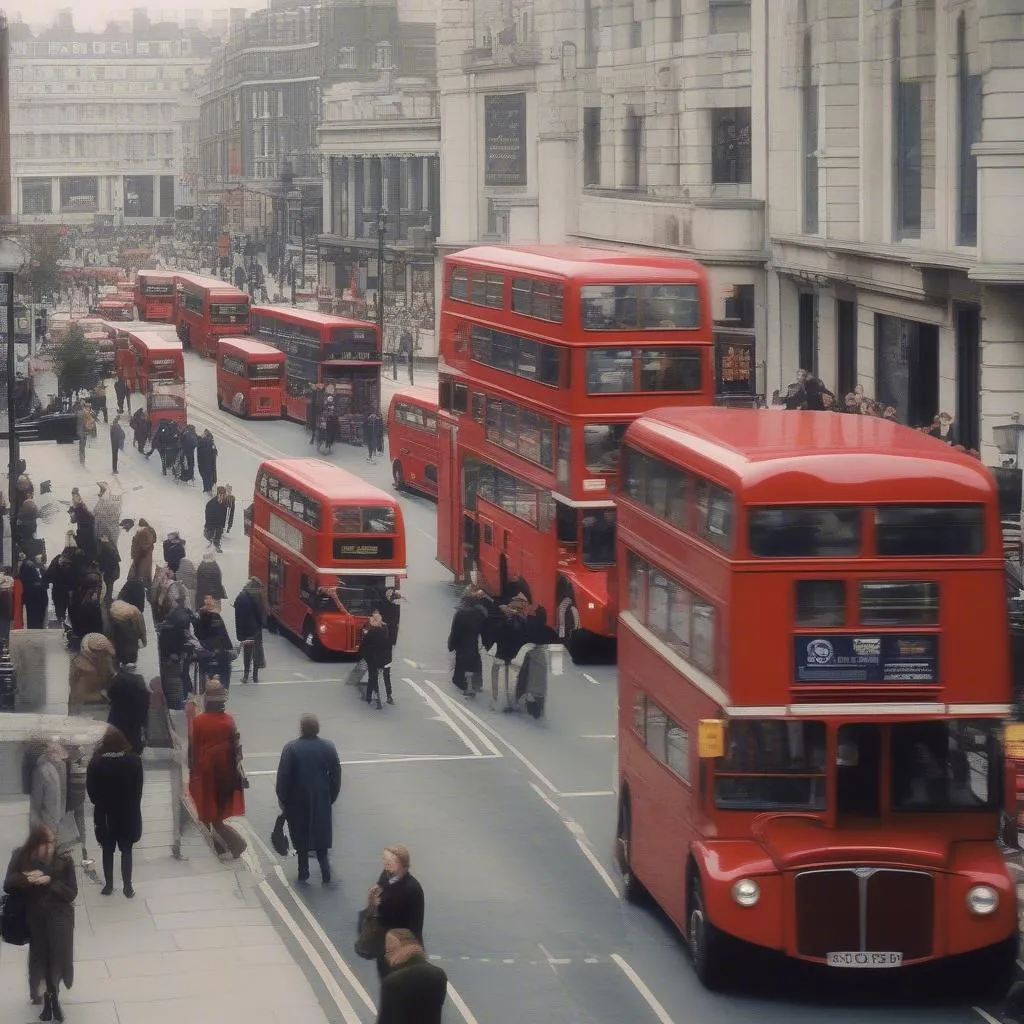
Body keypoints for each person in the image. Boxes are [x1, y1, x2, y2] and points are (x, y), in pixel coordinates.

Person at [3, 824, 77, 1022]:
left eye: (52, 842)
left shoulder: (64, 860)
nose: (49, 847)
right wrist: (28, 878)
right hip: (34, 918)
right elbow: (8, 884)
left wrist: (50, 882)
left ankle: (53, 999)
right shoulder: (21, 855)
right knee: (41, 957)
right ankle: (48, 999)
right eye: (46, 843)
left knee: (57, 958)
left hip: (59, 917)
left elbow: (71, 893)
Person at [275, 714, 341, 885]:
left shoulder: (291, 748)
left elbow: (283, 777)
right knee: (321, 833)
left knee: (300, 834)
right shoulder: (328, 747)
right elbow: (336, 775)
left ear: (302, 728)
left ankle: (303, 871)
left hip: (297, 798)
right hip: (321, 796)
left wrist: (283, 800)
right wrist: (330, 796)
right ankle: (325, 871)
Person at [188, 679, 247, 858]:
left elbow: (194, 750)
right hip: (226, 776)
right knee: (215, 816)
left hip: (206, 776)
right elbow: (237, 750)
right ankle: (221, 846)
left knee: (207, 815)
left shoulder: (199, 722)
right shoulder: (229, 721)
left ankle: (236, 844)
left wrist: (192, 772)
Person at [86, 726, 143, 898]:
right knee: (126, 850)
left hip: (105, 814)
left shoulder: (96, 763)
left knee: (107, 849)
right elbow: (138, 790)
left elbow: (92, 792)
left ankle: (109, 885)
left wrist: (101, 802)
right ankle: (128, 887)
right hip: (128, 813)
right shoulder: (133, 761)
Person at [368, 844, 425, 979]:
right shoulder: (386, 875)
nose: (385, 864)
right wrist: (373, 899)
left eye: (388, 861)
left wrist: (379, 905)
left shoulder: (412, 889)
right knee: (386, 980)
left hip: (402, 946)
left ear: (400, 864)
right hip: (385, 944)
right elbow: (381, 892)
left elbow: (415, 924)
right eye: (384, 860)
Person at [376, 929, 448, 1024]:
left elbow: (386, 1019)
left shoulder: (393, 982)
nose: (386, 956)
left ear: (397, 950)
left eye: (388, 951)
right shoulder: (439, 974)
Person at [490, 594, 530, 712]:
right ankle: (513, 702)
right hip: (515, 655)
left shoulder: (503, 619)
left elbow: (496, 634)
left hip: (501, 654)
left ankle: (496, 700)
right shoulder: (523, 621)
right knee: (514, 677)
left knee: (496, 674)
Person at [68, 633, 117, 719]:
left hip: (83, 706)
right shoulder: (106, 662)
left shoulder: (78, 662)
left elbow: (72, 683)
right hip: (100, 705)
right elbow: (113, 679)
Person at [106, 661, 150, 755]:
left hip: (118, 717)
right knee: (133, 739)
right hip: (135, 718)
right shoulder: (139, 680)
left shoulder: (118, 678)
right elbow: (145, 698)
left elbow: (111, 695)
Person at [447, 594, 485, 698]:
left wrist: (452, 644)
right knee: (473, 664)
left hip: (462, 644)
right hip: (473, 644)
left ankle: (467, 686)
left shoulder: (460, 614)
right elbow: (484, 630)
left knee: (462, 665)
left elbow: (455, 631)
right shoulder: (480, 614)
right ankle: (473, 685)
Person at [29, 742, 68, 839]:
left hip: (50, 817)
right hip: (49, 818)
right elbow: (38, 799)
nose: (59, 761)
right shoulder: (45, 771)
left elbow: (38, 798)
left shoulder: (47, 770)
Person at [233, 577, 266, 684]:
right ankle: (255, 676)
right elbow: (260, 613)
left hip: (246, 630)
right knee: (256, 652)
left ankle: (246, 676)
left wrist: (240, 633)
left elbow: (238, 613)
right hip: (255, 630)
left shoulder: (241, 596)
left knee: (247, 653)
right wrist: (261, 624)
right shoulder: (257, 597)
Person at [359, 610, 393, 709]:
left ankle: (371, 697)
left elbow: (363, 648)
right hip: (386, 659)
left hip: (374, 660)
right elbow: (390, 644)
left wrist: (366, 658)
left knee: (373, 678)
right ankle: (389, 696)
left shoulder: (370, 634)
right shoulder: (386, 630)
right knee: (386, 677)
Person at [107, 598, 147, 667]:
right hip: (130, 622)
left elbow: (111, 633)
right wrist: (144, 641)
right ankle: (131, 660)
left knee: (123, 645)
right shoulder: (135, 610)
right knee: (131, 643)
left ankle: (124, 662)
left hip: (120, 623)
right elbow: (142, 628)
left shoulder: (113, 611)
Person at [19, 553, 49, 629]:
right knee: (37, 621)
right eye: (38, 555)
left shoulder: (31, 565)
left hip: (32, 599)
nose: (40, 557)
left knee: (33, 620)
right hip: (36, 599)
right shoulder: (29, 565)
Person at [93, 483, 122, 554]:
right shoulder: (103, 502)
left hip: (106, 538)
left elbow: (111, 520)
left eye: (102, 491)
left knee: (107, 557)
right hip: (101, 536)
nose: (100, 493)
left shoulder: (112, 504)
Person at [129, 518, 157, 588]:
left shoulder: (143, 532)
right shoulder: (149, 531)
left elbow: (140, 546)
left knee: (139, 575)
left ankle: (138, 589)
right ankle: (145, 588)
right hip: (146, 557)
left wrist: (136, 556)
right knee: (146, 574)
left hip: (141, 557)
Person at [70, 492, 97, 560]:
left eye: (74, 499)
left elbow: (73, 520)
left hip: (85, 534)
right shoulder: (82, 508)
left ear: (79, 499)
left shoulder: (80, 509)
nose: (73, 500)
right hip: (88, 534)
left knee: (84, 554)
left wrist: (71, 512)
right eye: (72, 499)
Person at [204, 487, 229, 552]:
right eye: (221, 494)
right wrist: (208, 526)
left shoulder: (224, 503)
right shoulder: (211, 503)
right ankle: (210, 545)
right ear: (218, 494)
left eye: (224, 494)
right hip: (211, 524)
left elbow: (224, 515)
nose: (223, 496)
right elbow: (208, 516)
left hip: (219, 525)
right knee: (209, 536)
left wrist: (222, 525)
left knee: (217, 536)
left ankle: (216, 545)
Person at [196, 428, 218, 493]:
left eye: (204, 433)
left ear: (206, 434)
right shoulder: (212, 442)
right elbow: (215, 453)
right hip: (210, 463)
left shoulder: (204, 441)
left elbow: (202, 451)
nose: (202, 434)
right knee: (209, 476)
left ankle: (207, 490)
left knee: (205, 476)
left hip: (204, 463)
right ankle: (209, 489)